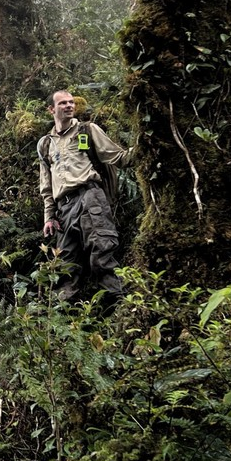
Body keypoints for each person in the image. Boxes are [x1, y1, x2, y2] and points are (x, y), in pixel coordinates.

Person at [38, 90, 134, 303]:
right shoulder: (46, 144)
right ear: (51, 109)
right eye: (63, 103)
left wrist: (146, 146)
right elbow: (46, 186)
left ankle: (121, 309)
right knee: (65, 265)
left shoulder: (87, 130)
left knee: (102, 252)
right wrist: (49, 216)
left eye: (71, 102)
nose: (69, 106)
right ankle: (65, 322)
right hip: (63, 208)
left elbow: (117, 156)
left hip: (90, 197)